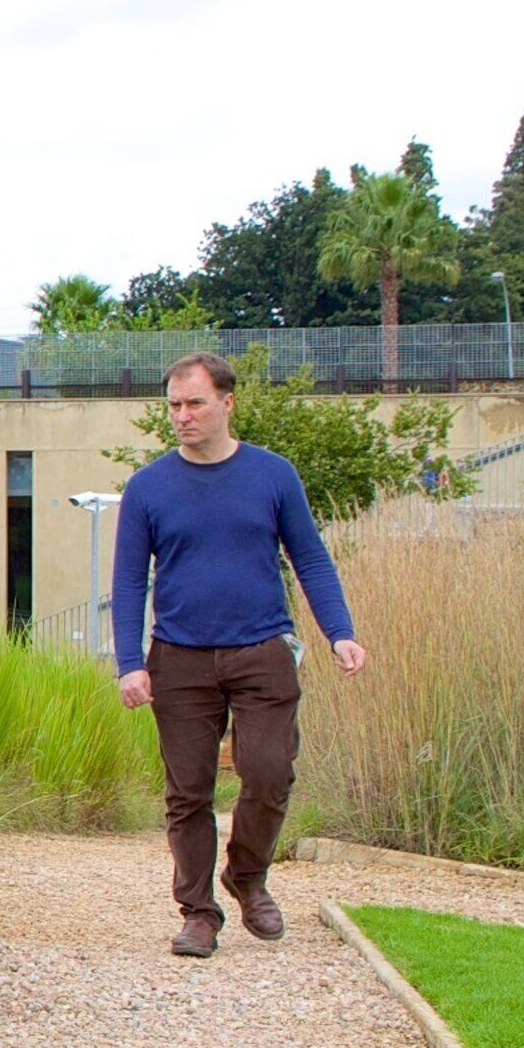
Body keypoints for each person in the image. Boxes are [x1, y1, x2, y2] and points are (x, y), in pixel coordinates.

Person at [110, 351, 367, 958]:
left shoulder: (273, 475)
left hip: (262, 651)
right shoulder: (148, 487)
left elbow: (309, 558)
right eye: (173, 405)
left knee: (270, 772)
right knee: (189, 792)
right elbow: (127, 581)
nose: (182, 416)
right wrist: (129, 661)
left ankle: (247, 876)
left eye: (195, 403)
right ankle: (199, 911)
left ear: (227, 402)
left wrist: (340, 631)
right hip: (179, 658)